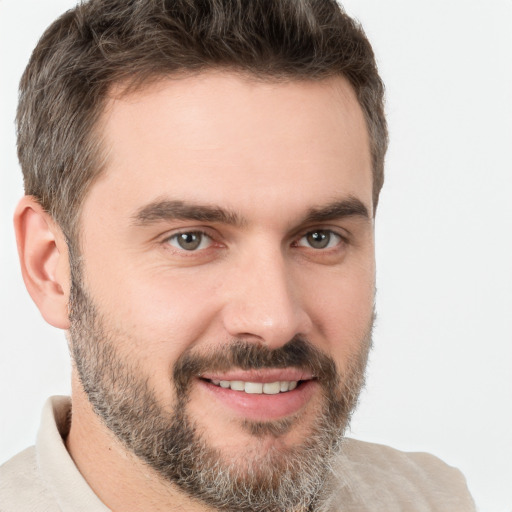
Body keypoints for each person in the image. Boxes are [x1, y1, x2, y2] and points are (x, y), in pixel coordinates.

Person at [0, 0, 476, 510]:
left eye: (320, 237)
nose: (275, 320)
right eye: (191, 239)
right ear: (49, 266)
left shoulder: (432, 499)